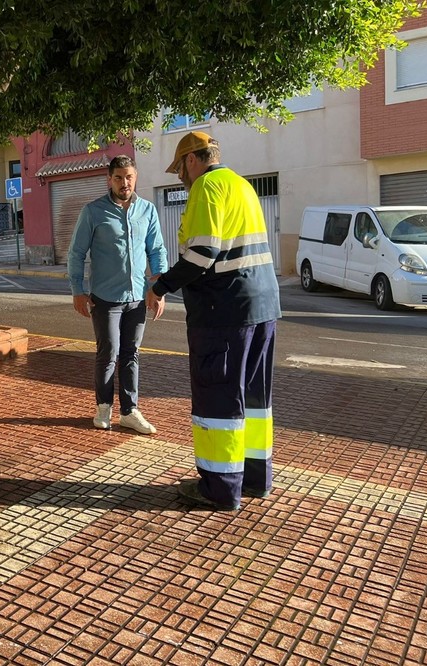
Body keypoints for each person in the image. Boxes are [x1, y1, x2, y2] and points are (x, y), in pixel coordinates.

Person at [146, 131, 281, 512]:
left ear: (192, 160)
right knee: (254, 398)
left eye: (180, 169)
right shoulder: (241, 185)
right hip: (262, 306)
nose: (181, 178)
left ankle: (219, 488)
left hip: (223, 312)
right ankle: (255, 478)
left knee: (218, 398)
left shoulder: (207, 187)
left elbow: (203, 253)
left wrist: (161, 286)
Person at [67, 155, 168, 433]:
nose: (125, 183)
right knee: (108, 353)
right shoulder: (93, 211)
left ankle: (129, 411)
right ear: (109, 180)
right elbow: (76, 253)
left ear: (136, 177)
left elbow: (157, 250)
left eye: (129, 177)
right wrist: (78, 291)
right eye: (119, 178)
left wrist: (159, 289)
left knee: (131, 354)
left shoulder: (147, 210)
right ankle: (103, 407)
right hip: (105, 298)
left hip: (137, 297)